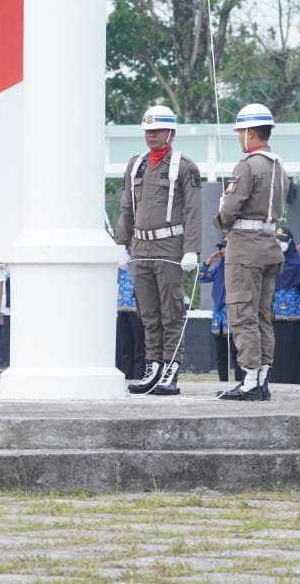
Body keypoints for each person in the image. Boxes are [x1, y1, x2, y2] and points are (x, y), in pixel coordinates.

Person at [115, 104, 202, 396]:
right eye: (148, 131)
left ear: (171, 133)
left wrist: (192, 249)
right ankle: (152, 366)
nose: (151, 136)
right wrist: (120, 244)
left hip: (169, 245)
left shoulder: (184, 166)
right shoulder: (135, 164)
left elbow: (193, 211)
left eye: (157, 131)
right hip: (140, 246)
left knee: (171, 312)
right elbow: (127, 208)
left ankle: (170, 369)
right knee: (148, 313)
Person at [214, 103, 288, 401]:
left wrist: (219, 220)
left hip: (245, 248)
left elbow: (230, 208)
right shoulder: (279, 165)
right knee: (262, 316)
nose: (239, 138)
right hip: (270, 245)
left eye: (240, 132)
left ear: (250, 132)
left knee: (242, 313)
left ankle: (250, 380)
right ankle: (263, 377)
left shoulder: (248, 165)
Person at [197, 241, 242, 382]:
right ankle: (223, 381)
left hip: (233, 316)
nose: (222, 252)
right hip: (218, 318)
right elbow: (201, 278)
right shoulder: (218, 269)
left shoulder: (239, 268)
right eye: (221, 249)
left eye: (225, 249)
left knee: (237, 353)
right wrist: (208, 262)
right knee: (221, 354)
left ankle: (240, 381)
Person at [271, 226, 300, 384]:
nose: (279, 244)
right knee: (276, 350)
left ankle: (295, 380)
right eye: (276, 240)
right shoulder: (271, 263)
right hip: (273, 314)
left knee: (293, 350)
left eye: (282, 240)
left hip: (294, 315)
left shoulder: (299, 265)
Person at [115, 256, 146, 381]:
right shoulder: (121, 257)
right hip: (121, 307)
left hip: (137, 308)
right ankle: (126, 375)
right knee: (125, 346)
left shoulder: (141, 258)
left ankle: (138, 376)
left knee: (139, 346)